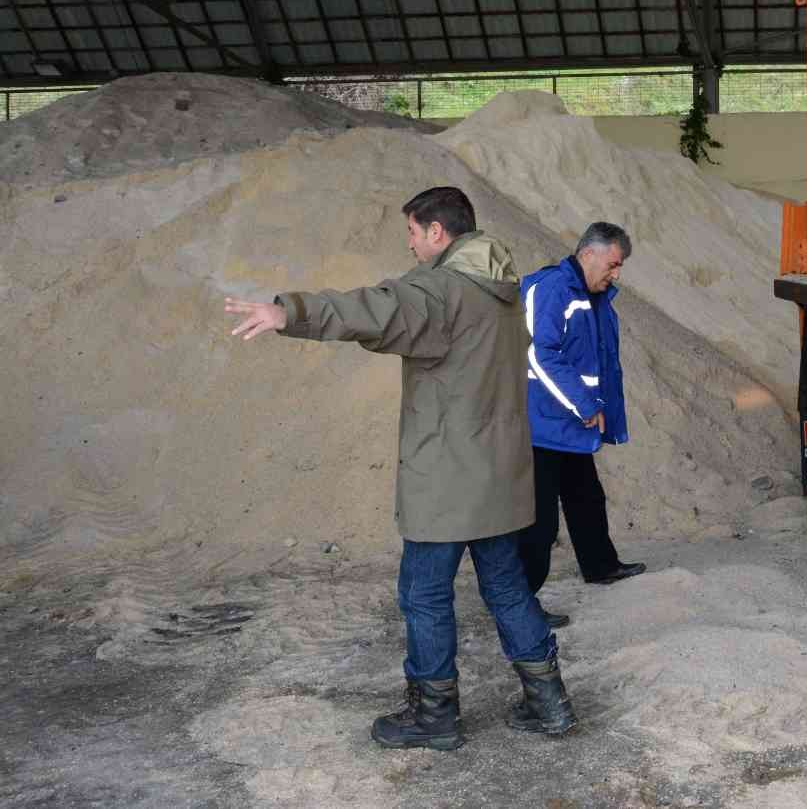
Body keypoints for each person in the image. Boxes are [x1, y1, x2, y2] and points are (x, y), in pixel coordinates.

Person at [223, 186, 577, 750]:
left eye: (412, 232)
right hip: (498, 473)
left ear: (437, 232)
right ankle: (550, 702)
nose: (410, 244)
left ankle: (435, 716)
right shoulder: (505, 291)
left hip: (446, 478)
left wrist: (288, 312)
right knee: (508, 589)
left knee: (424, 594)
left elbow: (374, 309)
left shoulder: (440, 290)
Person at [518, 221, 647, 608]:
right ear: (588, 253)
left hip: (569, 422)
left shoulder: (592, 295)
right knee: (539, 524)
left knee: (587, 498)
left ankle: (600, 565)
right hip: (540, 425)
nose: (616, 274)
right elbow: (541, 355)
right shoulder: (553, 289)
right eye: (613, 264)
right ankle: (519, 607)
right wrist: (586, 404)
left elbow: (599, 359)